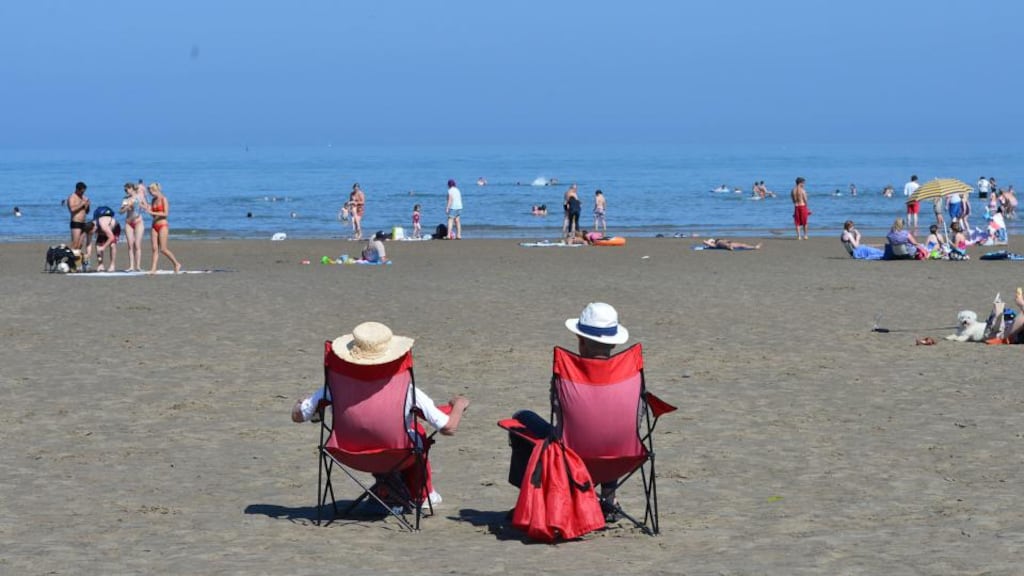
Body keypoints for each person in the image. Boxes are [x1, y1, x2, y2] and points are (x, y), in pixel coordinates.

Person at [291, 321, 470, 505]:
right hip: (398, 455)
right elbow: (448, 428)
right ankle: (423, 496)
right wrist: (459, 405)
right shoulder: (406, 389)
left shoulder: (334, 387)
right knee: (415, 432)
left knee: (391, 431)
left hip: (346, 454)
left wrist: (302, 403)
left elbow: (298, 416)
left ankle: (387, 488)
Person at [505, 303, 632, 520]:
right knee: (611, 429)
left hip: (571, 457)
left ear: (581, 340)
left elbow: (560, 416)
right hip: (621, 458)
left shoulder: (566, 376)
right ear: (613, 344)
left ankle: (528, 500)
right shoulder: (629, 377)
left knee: (521, 418)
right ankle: (609, 500)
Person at [146, 182, 182, 273]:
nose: (150, 194)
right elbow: (153, 216)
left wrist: (152, 212)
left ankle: (176, 264)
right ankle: (153, 269)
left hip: (163, 225)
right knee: (154, 248)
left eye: (151, 192)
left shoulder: (164, 199)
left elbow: (166, 214)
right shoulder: (153, 200)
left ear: (156, 190)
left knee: (163, 249)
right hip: (154, 225)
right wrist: (147, 209)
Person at [119, 182, 147, 271]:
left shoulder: (139, 196)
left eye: (126, 189)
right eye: (124, 190)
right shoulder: (125, 199)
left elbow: (146, 207)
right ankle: (131, 266)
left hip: (138, 221)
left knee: (137, 244)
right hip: (129, 223)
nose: (125, 191)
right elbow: (120, 211)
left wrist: (139, 204)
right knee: (130, 245)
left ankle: (138, 266)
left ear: (131, 188)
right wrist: (127, 207)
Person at [92, 205, 121, 272]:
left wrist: (104, 247)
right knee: (98, 245)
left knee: (112, 245)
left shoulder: (103, 225)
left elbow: (111, 237)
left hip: (115, 229)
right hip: (105, 230)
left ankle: (112, 265)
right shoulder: (95, 224)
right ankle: (100, 264)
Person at [67, 181, 91, 250]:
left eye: (84, 192)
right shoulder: (72, 197)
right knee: (75, 244)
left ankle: (77, 259)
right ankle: (70, 258)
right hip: (76, 222)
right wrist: (82, 204)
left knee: (80, 244)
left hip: (83, 222)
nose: (83, 193)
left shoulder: (84, 198)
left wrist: (88, 205)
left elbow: (87, 212)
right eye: (81, 192)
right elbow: (72, 210)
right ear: (77, 189)